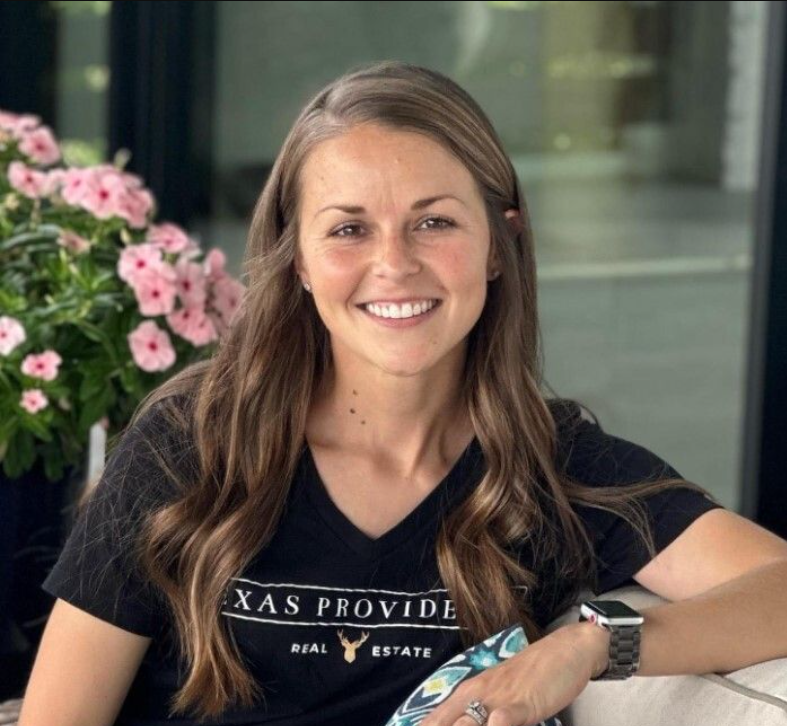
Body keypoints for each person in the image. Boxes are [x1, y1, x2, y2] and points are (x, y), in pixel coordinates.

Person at [19, 60, 787, 726]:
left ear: (499, 245)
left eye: (434, 222)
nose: (393, 264)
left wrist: (591, 646)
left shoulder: (553, 467)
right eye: (348, 229)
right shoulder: (191, 444)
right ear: (298, 259)